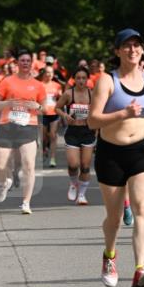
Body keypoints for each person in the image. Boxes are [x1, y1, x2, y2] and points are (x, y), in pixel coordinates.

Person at [88, 28, 144, 287]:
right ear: (117, 51)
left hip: (143, 150)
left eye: (137, 45)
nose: (133, 50)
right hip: (111, 153)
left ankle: (139, 270)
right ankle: (110, 256)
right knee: (113, 218)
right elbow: (92, 120)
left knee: (142, 209)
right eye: (127, 46)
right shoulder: (106, 80)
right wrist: (123, 113)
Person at [0, 49, 48, 214]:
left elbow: (45, 109)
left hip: (28, 127)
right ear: (17, 63)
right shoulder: (7, 82)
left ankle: (26, 203)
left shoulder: (38, 85)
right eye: (22, 60)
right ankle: (4, 183)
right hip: (7, 126)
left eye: (28, 61)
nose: (25, 63)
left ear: (31, 63)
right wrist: (7, 103)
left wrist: (37, 107)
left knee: (29, 165)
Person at [55, 67, 97, 205]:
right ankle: (74, 183)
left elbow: (98, 111)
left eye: (83, 78)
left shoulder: (92, 94)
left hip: (88, 132)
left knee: (85, 166)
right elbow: (57, 107)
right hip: (73, 132)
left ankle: (82, 195)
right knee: (73, 165)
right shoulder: (68, 94)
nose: (81, 81)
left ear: (87, 79)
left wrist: (96, 126)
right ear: (74, 79)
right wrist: (65, 115)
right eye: (78, 78)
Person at [38, 66, 63, 167]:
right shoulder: (39, 85)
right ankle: (44, 149)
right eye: (47, 72)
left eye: (51, 73)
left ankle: (52, 159)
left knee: (53, 135)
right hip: (43, 114)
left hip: (54, 113)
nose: (49, 75)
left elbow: (60, 100)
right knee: (43, 137)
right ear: (44, 73)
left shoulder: (57, 85)